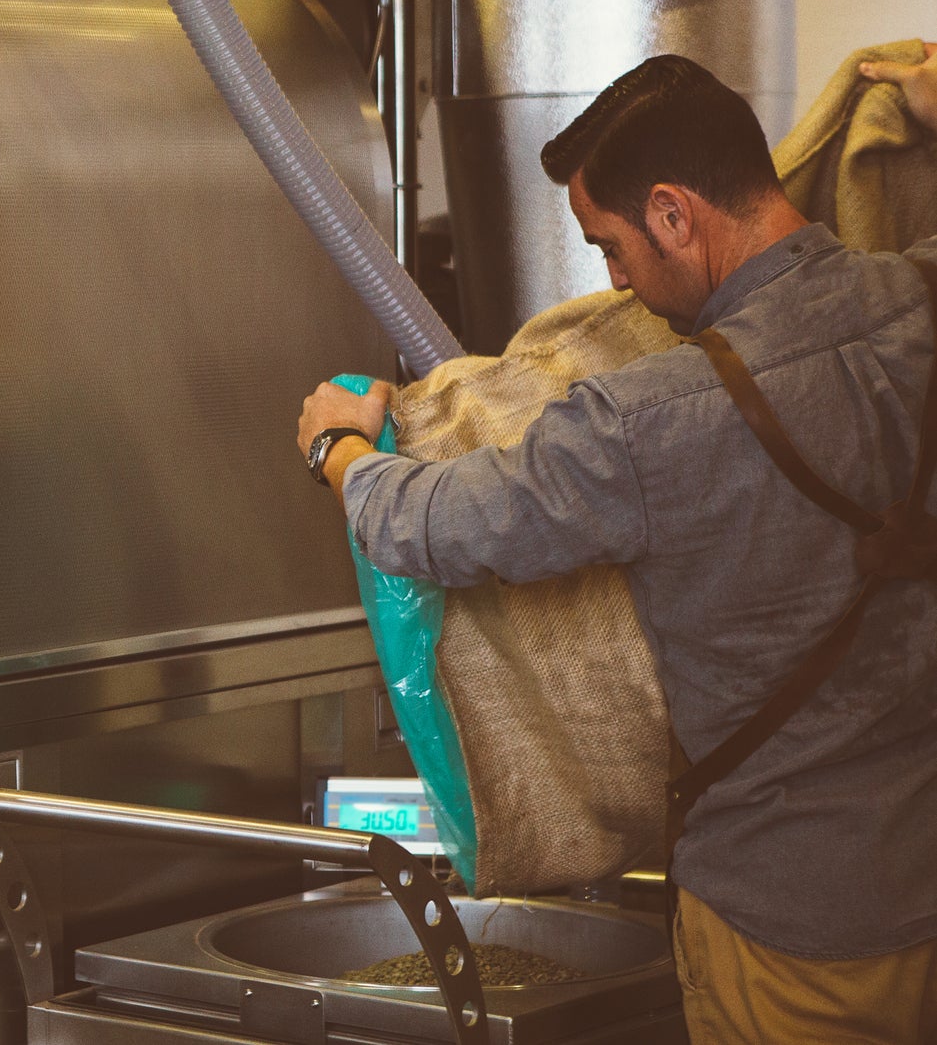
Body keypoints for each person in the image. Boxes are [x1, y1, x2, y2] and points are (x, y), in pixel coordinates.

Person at [296, 54, 937, 1043]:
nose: (618, 282)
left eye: (611, 245)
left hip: (785, 930)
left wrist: (337, 445)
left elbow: (424, 525)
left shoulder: (649, 421)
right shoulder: (917, 298)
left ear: (677, 213)